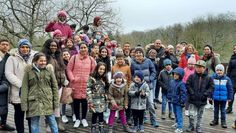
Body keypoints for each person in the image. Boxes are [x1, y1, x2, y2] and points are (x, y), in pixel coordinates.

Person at [20, 53, 59, 133]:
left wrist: (56, 102)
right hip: (34, 101)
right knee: (34, 123)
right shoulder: (28, 72)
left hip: (47, 100)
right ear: (35, 61)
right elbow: (24, 88)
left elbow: (55, 87)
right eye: (41, 61)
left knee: (52, 122)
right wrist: (24, 104)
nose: (43, 62)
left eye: (45, 61)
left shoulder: (49, 71)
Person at [5, 39, 35, 133]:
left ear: (30, 48)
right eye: (22, 47)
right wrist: (22, 85)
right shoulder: (12, 58)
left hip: (32, 90)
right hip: (18, 91)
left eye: (27, 47)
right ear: (19, 48)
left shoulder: (34, 57)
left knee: (31, 115)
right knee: (19, 114)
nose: (25, 49)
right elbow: (9, 73)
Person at [66, 42, 96, 128]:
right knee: (76, 102)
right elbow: (69, 69)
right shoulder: (74, 58)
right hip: (75, 84)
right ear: (79, 48)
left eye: (85, 47)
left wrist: (90, 80)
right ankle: (77, 119)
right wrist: (72, 79)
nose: (83, 49)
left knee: (85, 102)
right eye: (81, 47)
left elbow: (93, 71)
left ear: (87, 48)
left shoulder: (91, 59)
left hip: (87, 84)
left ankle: (83, 118)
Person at [41, 39, 67, 131]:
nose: (54, 47)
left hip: (59, 85)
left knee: (57, 105)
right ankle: (49, 124)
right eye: (52, 45)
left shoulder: (58, 56)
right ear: (48, 46)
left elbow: (62, 69)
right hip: (49, 86)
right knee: (49, 105)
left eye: (55, 46)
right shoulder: (44, 56)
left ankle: (57, 122)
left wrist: (65, 81)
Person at [131, 47, 159, 127]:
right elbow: (132, 74)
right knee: (141, 104)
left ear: (143, 54)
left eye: (140, 54)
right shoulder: (133, 63)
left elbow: (153, 71)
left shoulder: (148, 61)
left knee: (150, 103)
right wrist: (135, 81)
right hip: (138, 87)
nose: (138, 55)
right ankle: (143, 118)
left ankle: (153, 120)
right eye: (137, 54)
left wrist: (150, 79)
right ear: (135, 55)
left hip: (148, 86)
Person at [186, 60, 214, 133]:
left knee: (200, 115)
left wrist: (205, 94)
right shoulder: (191, 76)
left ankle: (198, 126)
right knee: (191, 114)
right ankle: (191, 126)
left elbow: (212, 87)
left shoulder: (209, 78)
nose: (198, 68)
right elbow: (188, 85)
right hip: (192, 99)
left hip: (202, 100)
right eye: (197, 67)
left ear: (204, 68)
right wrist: (192, 93)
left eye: (200, 67)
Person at [87, 62, 109, 133]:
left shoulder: (105, 78)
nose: (101, 71)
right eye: (100, 69)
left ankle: (101, 127)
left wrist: (107, 96)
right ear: (97, 69)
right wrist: (90, 99)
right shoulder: (92, 78)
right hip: (94, 99)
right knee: (95, 113)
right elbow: (88, 88)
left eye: (103, 69)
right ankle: (93, 128)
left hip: (102, 99)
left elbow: (107, 88)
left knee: (101, 114)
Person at [209, 64, 233, 128]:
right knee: (215, 110)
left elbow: (230, 89)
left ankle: (223, 121)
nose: (219, 71)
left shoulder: (227, 79)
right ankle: (215, 120)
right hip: (216, 98)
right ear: (215, 71)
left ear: (223, 71)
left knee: (223, 110)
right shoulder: (212, 78)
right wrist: (210, 97)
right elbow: (210, 88)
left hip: (223, 98)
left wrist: (230, 97)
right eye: (217, 70)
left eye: (220, 70)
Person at [111, 53, 132, 124]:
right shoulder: (113, 67)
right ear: (116, 60)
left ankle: (128, 117)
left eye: (121, 59)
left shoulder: (127, 67)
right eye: (118, 59)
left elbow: (129, 78)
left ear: (123, 59)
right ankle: (120, 117)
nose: (120, 60)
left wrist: (128, 86)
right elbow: (112, 78)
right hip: (116, 88)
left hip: (125, 87)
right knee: (119, 102)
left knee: (126, 103)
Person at [0, 39, 15, 131]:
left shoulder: (9, 56)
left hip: (5, 82)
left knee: (4, 105)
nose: (5, 46)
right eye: (3, 44)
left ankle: (3, 124)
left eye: (7, 44)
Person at [168, 67, 187, 133]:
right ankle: (176, 123)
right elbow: (170, 90)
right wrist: (169, 97)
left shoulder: (182, 84)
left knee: (179, 115)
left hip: (179, 102)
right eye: (174, 74)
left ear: (180, 76)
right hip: (173, 101)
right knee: (175, 113)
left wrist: (182, 102)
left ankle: (180, 127)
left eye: (177, 74)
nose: (175, 75)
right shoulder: (172, 82)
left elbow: (183, 93)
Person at [61, 49, 76, 123]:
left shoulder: (72, 62)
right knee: (64, 99)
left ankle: (73, 114)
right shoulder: (61, 64)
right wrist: (65, 82)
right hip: (65, 83)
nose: (66, 56)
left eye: (67, 54)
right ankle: (63, 114)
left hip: (72, 83)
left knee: (72, 99)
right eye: (64, 54)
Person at [226, 45, 236, 114]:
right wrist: (227, 78)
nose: (235, 50)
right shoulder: (232, 57)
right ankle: (229, 108)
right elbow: (229, 69)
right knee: (231, 94)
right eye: (234, 49)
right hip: (232, 79)